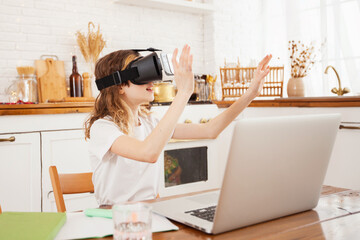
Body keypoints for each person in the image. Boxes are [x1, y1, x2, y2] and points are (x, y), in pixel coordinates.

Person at [85, 45, 272, 206]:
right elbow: (147, 153)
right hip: (113, 218)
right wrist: (183, 93)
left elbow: (210, 130)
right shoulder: (102, 128)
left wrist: (250, 94)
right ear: (119, 86)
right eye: (141, 74)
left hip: (150, 211)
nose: (152, 81)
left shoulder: (151, 123)